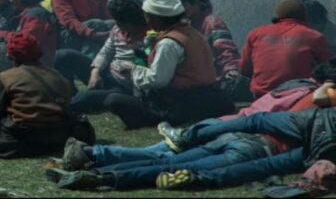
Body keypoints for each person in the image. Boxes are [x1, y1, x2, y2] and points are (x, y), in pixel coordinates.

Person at [53, 65, 336, 191]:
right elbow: (267, 167)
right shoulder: (319, 126)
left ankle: (93, 163)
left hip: (231, 132)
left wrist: (194, 134)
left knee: (168, 158)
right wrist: (202, 178)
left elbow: (256, 119)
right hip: (251, 147)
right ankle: (101, 175)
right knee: (169, 163)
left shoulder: (304, 103)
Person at [102, 0, 233, 129]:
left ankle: (152, 120)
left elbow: (156, 80)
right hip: (208, 97)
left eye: (147, 16)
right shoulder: (193, 33)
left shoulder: (168, 43)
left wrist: (131, 69)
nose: (145, 20)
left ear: (157, 18)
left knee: (113, 100)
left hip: (181, 103)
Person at [155, 103, 336, 190]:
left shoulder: (313, 94)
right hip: (266, 147)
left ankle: (184, 137)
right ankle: (198, 179)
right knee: (268, 166)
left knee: (164, 157)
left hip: (248, 138)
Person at [241, 0, 331, 98]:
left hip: (261, 97)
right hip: (297, 96)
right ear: (304, 16)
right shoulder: (314, 36)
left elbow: (244, 70)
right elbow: (330, 71)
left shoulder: (255, 33)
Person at [71, 0, 148, 114]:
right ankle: (69, 95)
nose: (115, 23)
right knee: (64, 56)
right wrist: (95, 72)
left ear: (129, 21)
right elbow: (106, 52)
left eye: (118, 20)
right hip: (105, 74)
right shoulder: (118, 29)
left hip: (124, 86)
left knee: (82, 99)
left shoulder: (149, 39)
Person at [50, 0, 111, 89]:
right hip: (68, 38)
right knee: (96, 23)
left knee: (111, 25)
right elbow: (68, 21)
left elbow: (107, 17)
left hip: (95, 33)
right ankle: (87, 69)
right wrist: (92, 33)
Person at [176, 0, 245, 99]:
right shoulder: (191, 24)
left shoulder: (212, 22)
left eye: (184, 2)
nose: (180, 6)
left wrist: (231, 71)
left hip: (213, 85)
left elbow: (225, 49)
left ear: (197, 4)